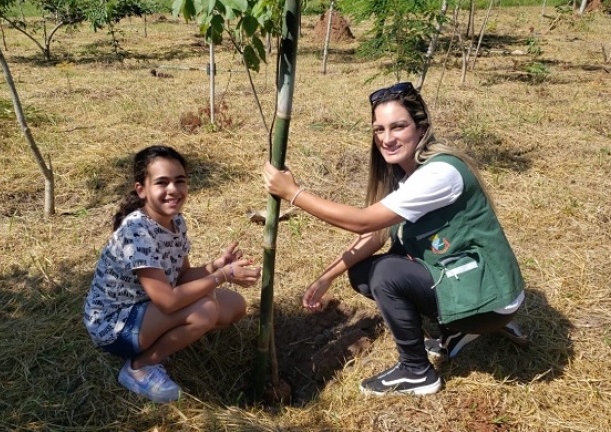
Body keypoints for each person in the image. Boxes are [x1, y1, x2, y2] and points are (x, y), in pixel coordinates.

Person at [263, 82, 526, 396]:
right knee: (362, 272)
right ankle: (454, 331)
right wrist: (326, 278)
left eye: (398, 126)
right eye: (379, 130)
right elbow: (374, 235)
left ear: (421, 128)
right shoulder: (407, 173)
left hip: (490, 299)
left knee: (386, 273)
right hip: (470, 282)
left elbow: (361, 221)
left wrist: (293, 194)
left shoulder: (439, 173)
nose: (387, 139)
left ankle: (417, 371)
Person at [84, 145, 261, 403]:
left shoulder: (176, 221)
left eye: (180, 181)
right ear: (141, 189)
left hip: (147, 305)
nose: (173, 190)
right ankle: (139, 367)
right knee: (206, 309)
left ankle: (163, 341)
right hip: (115, 325)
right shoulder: (138, 232)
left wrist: (215, 265)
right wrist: (222, 276)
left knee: (234, 305)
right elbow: (168, 302)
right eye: (162, 182)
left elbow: (183, 276)